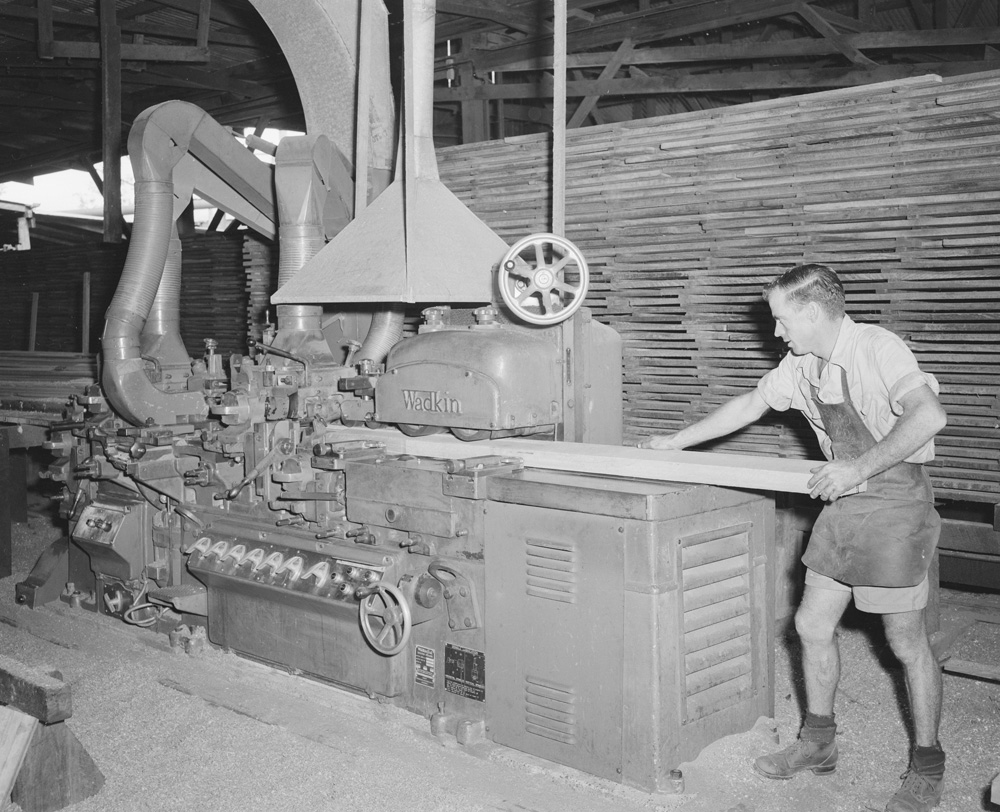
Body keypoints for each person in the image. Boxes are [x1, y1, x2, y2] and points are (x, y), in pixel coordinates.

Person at [639, 264, 947, 812]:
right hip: (845, 502)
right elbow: (751, 404)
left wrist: (857, 469)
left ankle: (927, 765)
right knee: (809, 624)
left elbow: (928, 416)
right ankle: (818, 742)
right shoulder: (803, 362)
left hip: (897, 505)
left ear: (810, 312)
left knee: (906, 643)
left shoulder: (879, 349)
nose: (777, 332)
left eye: (782, 320)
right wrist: (677, 442)